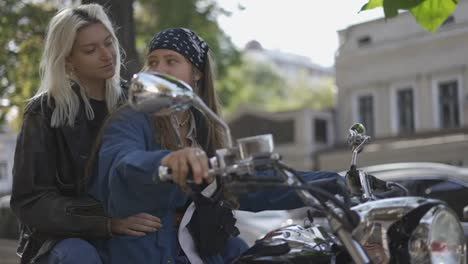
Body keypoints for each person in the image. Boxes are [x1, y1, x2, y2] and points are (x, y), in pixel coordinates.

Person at [88, 27, 342, 264]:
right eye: (153, 62)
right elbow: (122, 161)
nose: (158, 68)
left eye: (171, 61)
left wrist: (333, 183)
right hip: (149, 254)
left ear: (197, 73)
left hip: (207, 250)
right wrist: (166, 161)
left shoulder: (205, 126)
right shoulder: (131, 118)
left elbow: (244, 187)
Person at [10, 4, 162, 264]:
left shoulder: (135, 103)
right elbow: (31, 201)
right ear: (68, 60)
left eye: (108, 43)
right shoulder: (43, 113)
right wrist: (105, 222)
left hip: (128, 227)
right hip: (64, 240)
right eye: (90, 50)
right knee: (79, 255)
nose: (107, 55)